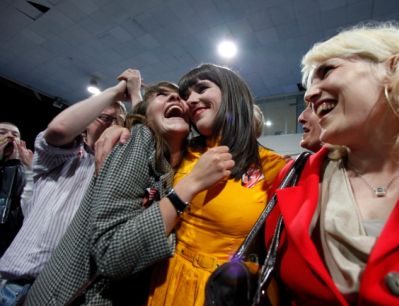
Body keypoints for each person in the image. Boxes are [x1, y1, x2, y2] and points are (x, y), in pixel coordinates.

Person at [265, 22, 399, 305]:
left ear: (392, 70)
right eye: (309, 85)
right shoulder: (293, 179)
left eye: (327, 71)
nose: (309, 95)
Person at [25, 81, 234, 305]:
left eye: (179, 97)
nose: (175, 99)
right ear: (145, 115)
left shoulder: (180, 165)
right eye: (162, 95)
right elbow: (111, 253)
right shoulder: (138, 139)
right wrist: (190, 185)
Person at [146, 64, 287, 305]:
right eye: (186, 94)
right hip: (163, 281)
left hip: (225, 293)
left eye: (202, 88)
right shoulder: (181, 151)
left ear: (232, 94)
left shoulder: (275, 168)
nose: (191, 99)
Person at [0, 69, 139, 305]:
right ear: (85, 125)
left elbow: (149, 143)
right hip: (17, 284)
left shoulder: (121, 174)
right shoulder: (59, 159)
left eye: (115, 121)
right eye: (102, 117)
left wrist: (136, 94)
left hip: (70, 294)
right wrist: (116, 91)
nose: (108, 125)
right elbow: (59, 130)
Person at [0, 122, 33, 256]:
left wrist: (16, 164)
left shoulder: (26, 171)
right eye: (2, 133)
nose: (10, 137)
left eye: (15, 135)